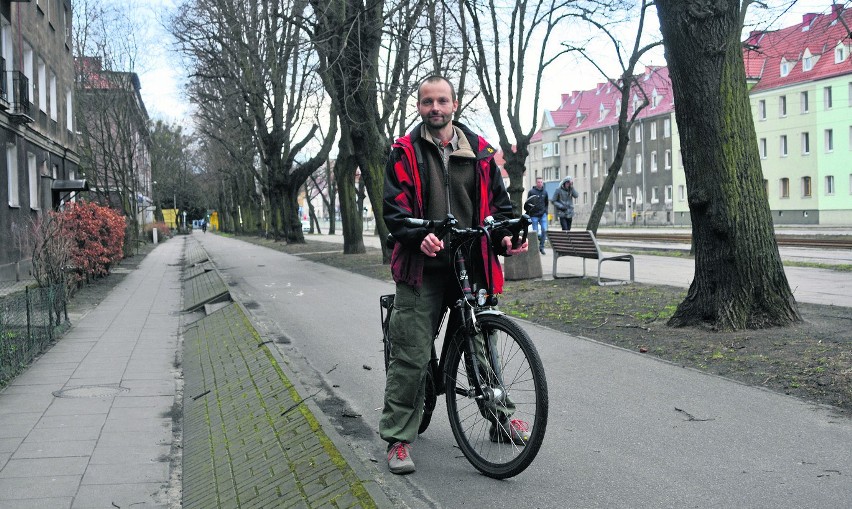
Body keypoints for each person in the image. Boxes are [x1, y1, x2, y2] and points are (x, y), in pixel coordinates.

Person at [381, 75, 529, 475]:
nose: (435, 108)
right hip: (422, 267)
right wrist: (419, 236)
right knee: (410, 352)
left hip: (470, 264)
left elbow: (498, 210)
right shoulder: (405, 152)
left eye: (442, 100)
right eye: (428, 101)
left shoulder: (480, 153)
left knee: (481, 344)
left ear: (455, 104)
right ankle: (398, 437)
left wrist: (506, 240)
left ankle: (499, 417)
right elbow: (394, 214)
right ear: (419, 107)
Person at [527, 177, 549, 254]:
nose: (540, 183)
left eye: (541, 182)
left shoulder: (545, 192)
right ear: (536, 183)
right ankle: (535, 247)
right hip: (534, 215)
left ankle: (542, 247)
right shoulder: (531, 192)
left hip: (542, 214)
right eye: (538, 182)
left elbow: (546, 203)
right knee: (535, 232)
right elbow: (528, 202)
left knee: (544, 230)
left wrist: (545, 211)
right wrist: (530, 212)